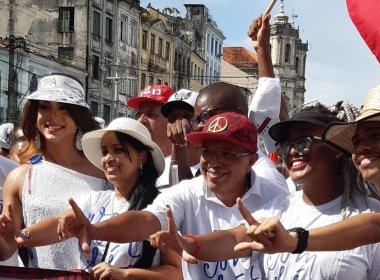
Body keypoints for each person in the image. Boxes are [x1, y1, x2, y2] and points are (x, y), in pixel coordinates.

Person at [233, 82, 380, 264]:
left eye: (376, 135)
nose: (362, 147)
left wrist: (295, 240)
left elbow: (376, 227)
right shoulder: (379, 204)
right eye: (357, 140)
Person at [163, 101, 380, 279]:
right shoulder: (279, 207)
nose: (293, 151)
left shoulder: (371, 216)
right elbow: (235, 237)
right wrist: (188, 243)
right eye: (287, 144)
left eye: (303, 142)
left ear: (336, 148)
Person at [57, 112, 290, 279]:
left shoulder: (275, 197)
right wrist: (96, 230)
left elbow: (237, 238)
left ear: (251, 160)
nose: (213, 163)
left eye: (227, 154)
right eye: (207, 152)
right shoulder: (186, 192)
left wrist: (185, 243)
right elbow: (146, 220)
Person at [2, 118, 182, 279]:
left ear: (142, 157)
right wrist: (21, 236)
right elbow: (61, 223)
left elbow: (177, 272)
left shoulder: (160, 207)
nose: (108, 158)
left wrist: (125, 274)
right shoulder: (95, 201)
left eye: (118, 150)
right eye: (104, 151)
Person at [0, 74, 109, 270]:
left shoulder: (105, 172)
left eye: (64, 107)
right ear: (34, 115)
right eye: (44, 107)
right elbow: (6, 250)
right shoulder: (19, 177)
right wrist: (4, 236)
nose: (53, 116)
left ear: (79, 115)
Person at [171, 14, 286, 186]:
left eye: (206, 116)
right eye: (196, 119)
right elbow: (187, 198)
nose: (200, 125)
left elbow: (269, 96)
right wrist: (179, 147)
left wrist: (262, 50)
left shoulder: (264, 176)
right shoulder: (210, 166)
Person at [127, 84, 174, 187]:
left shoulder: (187, 166)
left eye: (151, 115)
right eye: (139, 115)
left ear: (171, 120)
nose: (141, 121)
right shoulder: (131, 164)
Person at [161, 89, 201, 184]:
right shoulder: (160, 167)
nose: (179, 123)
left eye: (187, 116)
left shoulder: (210, 166)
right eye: (173, 118)